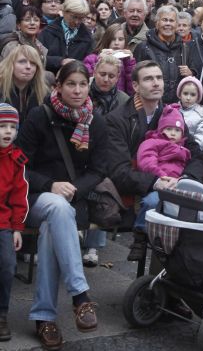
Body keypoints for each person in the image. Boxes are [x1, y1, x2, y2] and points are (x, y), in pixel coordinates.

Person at [17, 61, 107, 350]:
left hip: (73, 201)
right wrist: (50, 185)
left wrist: (75, 189)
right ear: (58, 87)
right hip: (35, 196)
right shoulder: (39, 116)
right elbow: (20, 166)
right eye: (71, 84)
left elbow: (99, 170)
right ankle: (80, 295)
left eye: (82, 84)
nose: (77, 90)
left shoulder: (96, 122)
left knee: (51, 230)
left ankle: (44, 317)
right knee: (56, 208)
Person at [106, 61, 202, 262]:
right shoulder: (117, 119)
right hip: (136, 192)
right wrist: (156, 182)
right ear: (135, 86)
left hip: (174, 183)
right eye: (149, 79)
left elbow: (196, 154)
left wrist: (184, 179)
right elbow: (118, 171)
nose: (156, 83)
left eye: (159, 78)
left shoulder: (171, 114)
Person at [81, 54, 129, 268]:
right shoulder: (83, 91)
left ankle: (93, 245)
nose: (106, 79)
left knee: (102, 194)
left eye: (111, 76)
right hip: (81, 147)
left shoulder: (123, 100)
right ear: (94, 72)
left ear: (118, 77)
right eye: (102, 74)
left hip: (108, 153)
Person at [134, 105, 192, 227]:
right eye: (169, 129)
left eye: (177, 130)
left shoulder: (184, 149)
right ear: (161, 129)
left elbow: (187, 168)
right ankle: (140, 229)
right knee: (152, 202)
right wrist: (161, 176)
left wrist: (183, 180)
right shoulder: (153, 142)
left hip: (177, 186)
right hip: (158, 183)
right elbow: (147, 161)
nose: (173, 133)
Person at [0, 102, 28, 342]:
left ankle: (1, 315)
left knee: (8, 266)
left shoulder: (17, 159)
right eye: (2, 126)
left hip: (3, 223)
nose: (8, 131)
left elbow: (19, 196)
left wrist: (17, 227)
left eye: (12, 127)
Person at [133, 5, 192, 103]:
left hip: (176, 106)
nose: (168, 23)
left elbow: (191, 75)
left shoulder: (184, 48)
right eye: (164, 20)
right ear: (157, 23)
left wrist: (190, 73)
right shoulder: (143, 48)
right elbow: (135, 78)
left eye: (171, 20)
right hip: (150, 103)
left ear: (176, 25)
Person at [38, 0, 93, 73]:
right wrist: (60, 61)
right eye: (74, 17)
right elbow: (39, 58)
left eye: (81, 18)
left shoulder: (87, 36)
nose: (77, 22)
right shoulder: (48, 31)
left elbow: (89, 62)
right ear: (64, 12)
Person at [0, 45, 49, 125]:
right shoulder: (1, 87)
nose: (28, 67)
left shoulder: (43, 92)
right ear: (11, 64)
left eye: (33, 63)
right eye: (22, 62)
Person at [83, 23, 136, 96]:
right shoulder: (92, 59)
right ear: (107, 40)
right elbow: (86, 84)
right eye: (113, 39)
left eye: (120, 39)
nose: (116, 43)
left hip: (119, 101)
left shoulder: (127, 62)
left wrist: (129, 64)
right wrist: (99, 61)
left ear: (125, 42)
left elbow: (132, 91)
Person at [177, 76, 203, 151]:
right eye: (185, 93)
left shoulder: (201, 115)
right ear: (180, 94)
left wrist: (190, 150)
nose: (188, 98)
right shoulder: (173, 110)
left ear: (198, 97)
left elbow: (202, 137)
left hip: (190, 152)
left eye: (193, 95)